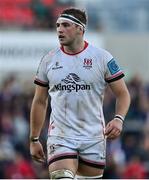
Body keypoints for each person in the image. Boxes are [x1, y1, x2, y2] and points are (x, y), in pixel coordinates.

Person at [29, 7, 131, 179]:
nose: (59, 29)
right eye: (57, 25)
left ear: (80, 29)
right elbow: (39, 101)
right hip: (60, 136)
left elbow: (123, 94)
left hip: (93, 137)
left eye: (66, 25)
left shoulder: (102, 58)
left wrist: (118, 119)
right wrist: (34, 139)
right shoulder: (48, 61)